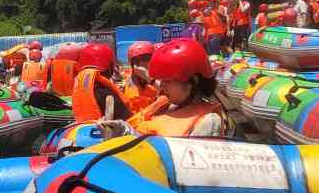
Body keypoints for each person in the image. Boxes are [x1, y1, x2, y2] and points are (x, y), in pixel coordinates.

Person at [99, 39, 232, 139]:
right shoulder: (166, 105)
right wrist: (124, 132)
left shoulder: (208, 122)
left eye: (167, 81)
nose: (161, 85)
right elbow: (149, 140)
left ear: (193, 82)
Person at [72, 42, 130, 124]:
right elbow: (128, 119)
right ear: (109, 67)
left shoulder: (77, 86)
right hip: (108, 132)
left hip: (83, 128)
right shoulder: (107, 94)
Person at [121, 41, 158, 113]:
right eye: (137, 60)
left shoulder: (161, 79)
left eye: (146, 58)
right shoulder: (124, 84)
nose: (142, 63)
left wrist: (148, 77)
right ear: (133, 64)